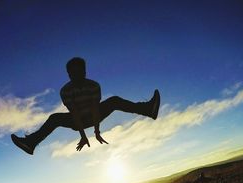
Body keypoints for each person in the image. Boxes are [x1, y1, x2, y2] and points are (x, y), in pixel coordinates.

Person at [11, 57, 160, 155]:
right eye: (72, 74)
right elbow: (74, 113)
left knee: (114, 101)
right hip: (77, 121)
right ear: (68, 75)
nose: (75, 76)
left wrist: (96, 132)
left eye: (78, 72)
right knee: (55, 118)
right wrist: (83, 136)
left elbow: (95, 109)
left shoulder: (93, 86)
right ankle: (30, 143)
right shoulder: (66, 91)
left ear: (84, 71)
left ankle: (147, 110)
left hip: (95, 116)